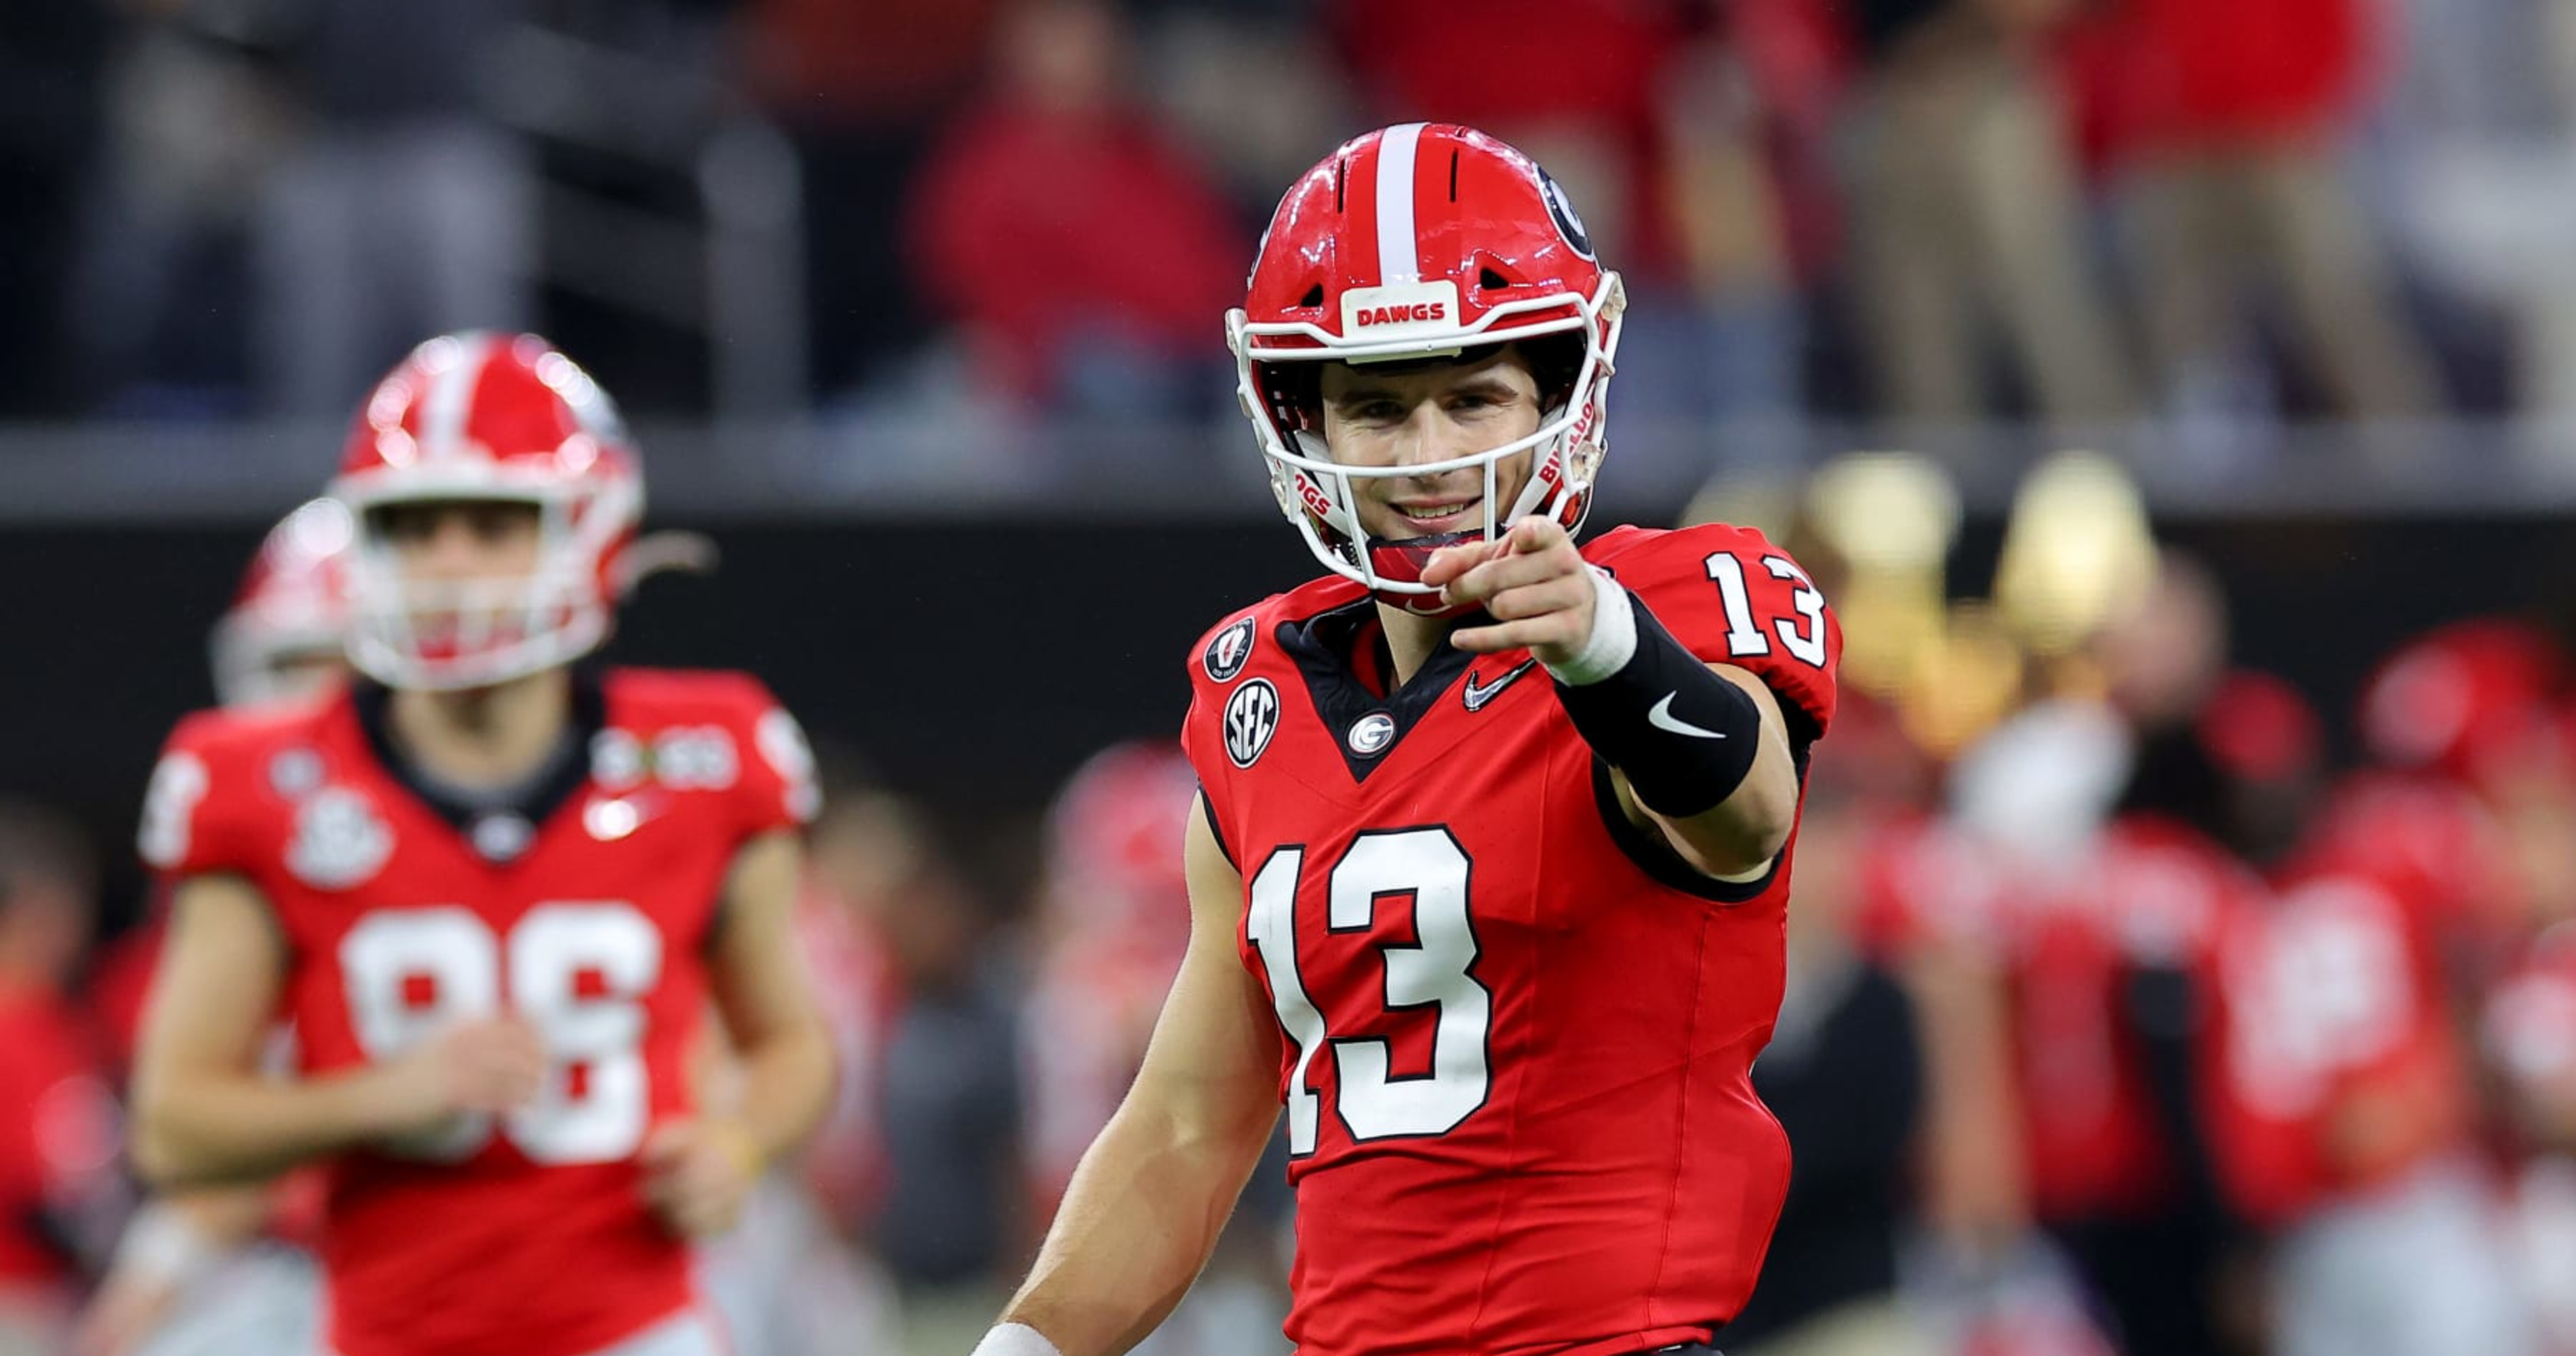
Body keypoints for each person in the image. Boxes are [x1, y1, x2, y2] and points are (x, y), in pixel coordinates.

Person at [974, 123, 1843, 1356]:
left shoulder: (1674, 602)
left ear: (1559, 392)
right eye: (1377, 408)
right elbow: (1186, 1124)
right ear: (1304, 424)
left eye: (1473, 396)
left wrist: (1607, 649)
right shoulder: (1256, 690)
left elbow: (1745, 805)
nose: (1431, 456)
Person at [126, 332, 835, 1356]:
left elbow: (795, 1046)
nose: (448, 561)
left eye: (493, 522)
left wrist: (738, 1141)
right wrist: (382, 1097)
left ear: (588, 528)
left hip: (639, 1334)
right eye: (414, 527)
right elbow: (173, 1128)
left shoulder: (707, 755)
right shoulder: (262, 784)